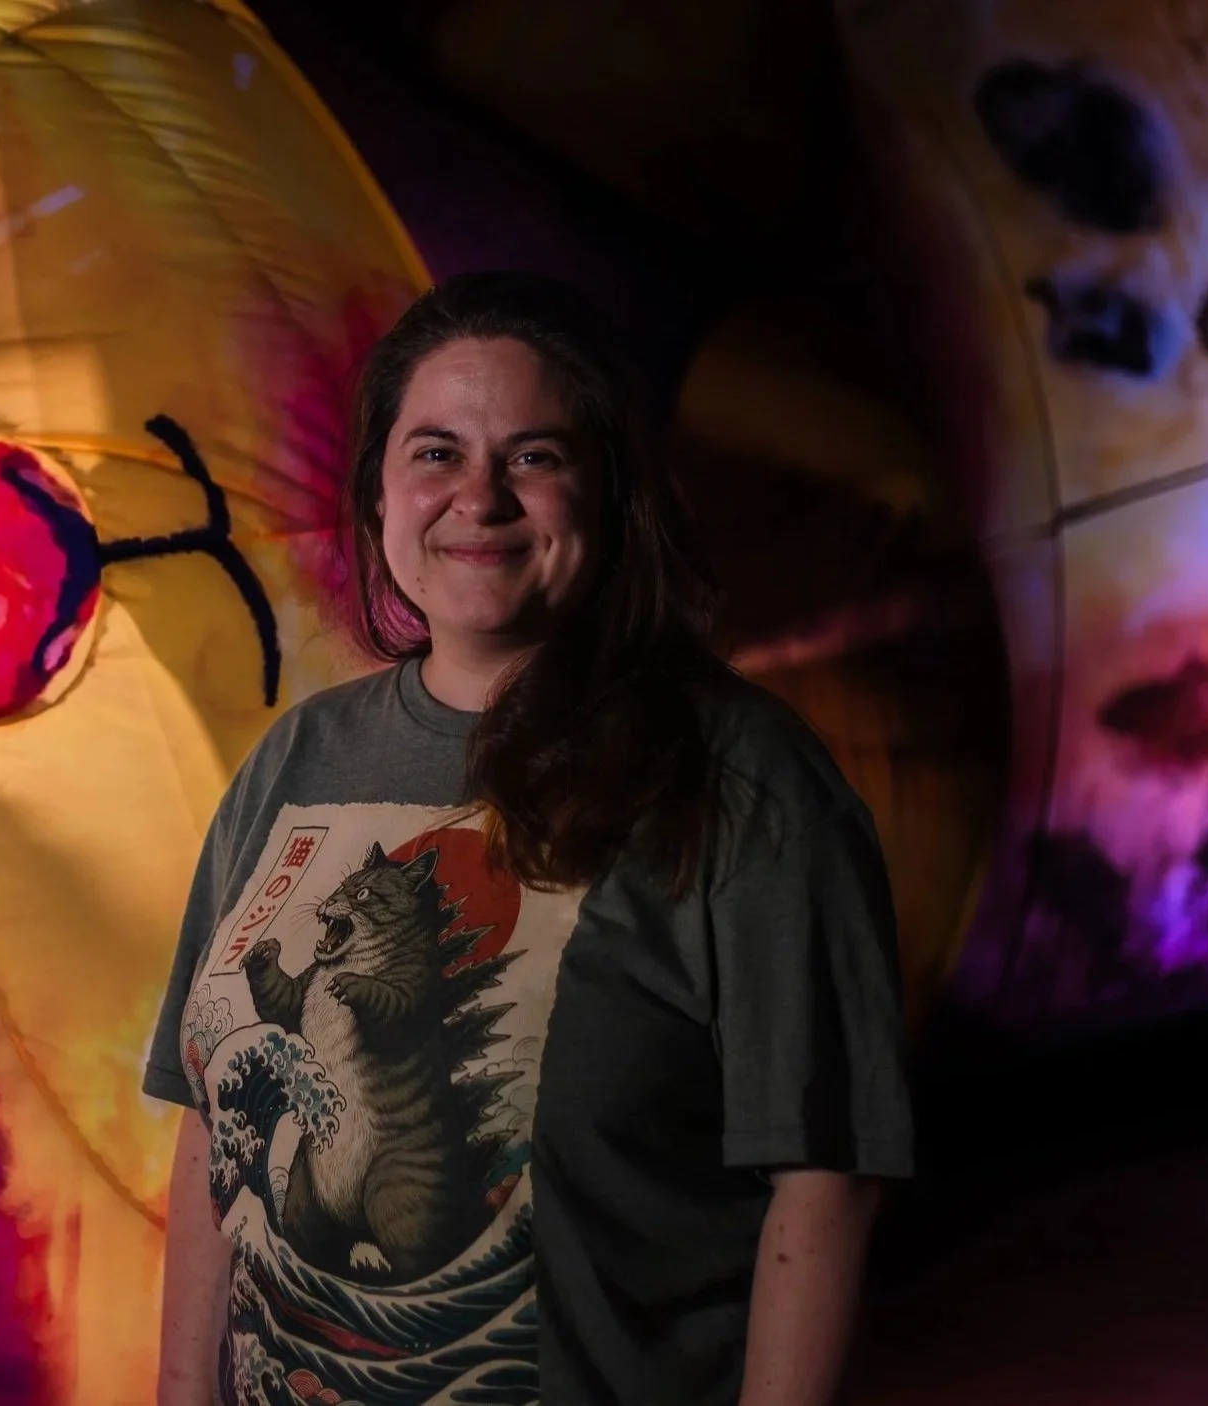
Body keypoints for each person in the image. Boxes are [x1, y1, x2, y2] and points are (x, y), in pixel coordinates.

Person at [140, 270, 915, 1406]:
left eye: (536, 456)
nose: (480, 497)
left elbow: (826, 1181)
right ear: (377, 494)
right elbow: (214, 1138)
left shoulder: (741, 777)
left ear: (610, 494)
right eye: (436, 451)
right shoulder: (295, 762)